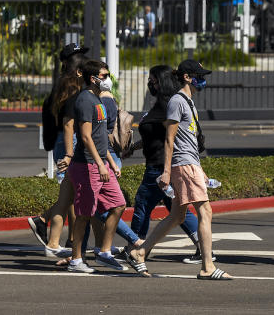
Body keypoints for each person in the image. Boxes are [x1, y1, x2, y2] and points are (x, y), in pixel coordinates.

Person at [125, 59, 232, 280]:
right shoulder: (177, 101)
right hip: (182, 163)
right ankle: (207, 267)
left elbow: (190, 139)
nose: (202, 79)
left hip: (190, 162)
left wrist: (199, 167)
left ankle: (140, 251)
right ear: (186, 77)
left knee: (177, 215)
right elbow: (169, 140)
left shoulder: (188, 102)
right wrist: (166, 171)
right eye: (199, 75)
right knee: (205, 212)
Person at [128, 64, 205, 264]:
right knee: (178, 210)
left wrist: (166, 171)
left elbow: (171, 138)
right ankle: (203, 250)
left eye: (153, 81)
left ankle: (136, 246)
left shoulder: (171, 104)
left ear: (161, 82)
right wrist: (133, 147)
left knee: (143, 203)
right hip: (165, 164)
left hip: (162, 165)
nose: (150, 85)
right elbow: (153, 136)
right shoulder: (166, 104)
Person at [65, 59, 127, 273]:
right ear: (92, 79)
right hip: (86, 166)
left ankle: (104, 252)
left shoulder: (98, 99)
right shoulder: (85, 100)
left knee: (118, 204)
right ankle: (75, 260)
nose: (107, 79)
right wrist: (100, 164)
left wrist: (109, 162)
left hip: (101, 164)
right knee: (84, 214)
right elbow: (85, 136)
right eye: (103, 76)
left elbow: (101, 137)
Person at [28, 43, 87, 259]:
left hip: (63, 141)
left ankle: (68, 237)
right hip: (68, 141)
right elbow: (69, 122)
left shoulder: (64, 84)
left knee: (69, 192)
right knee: (69, 192)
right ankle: (46, 223)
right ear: (76, 67)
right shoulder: (72, 87)